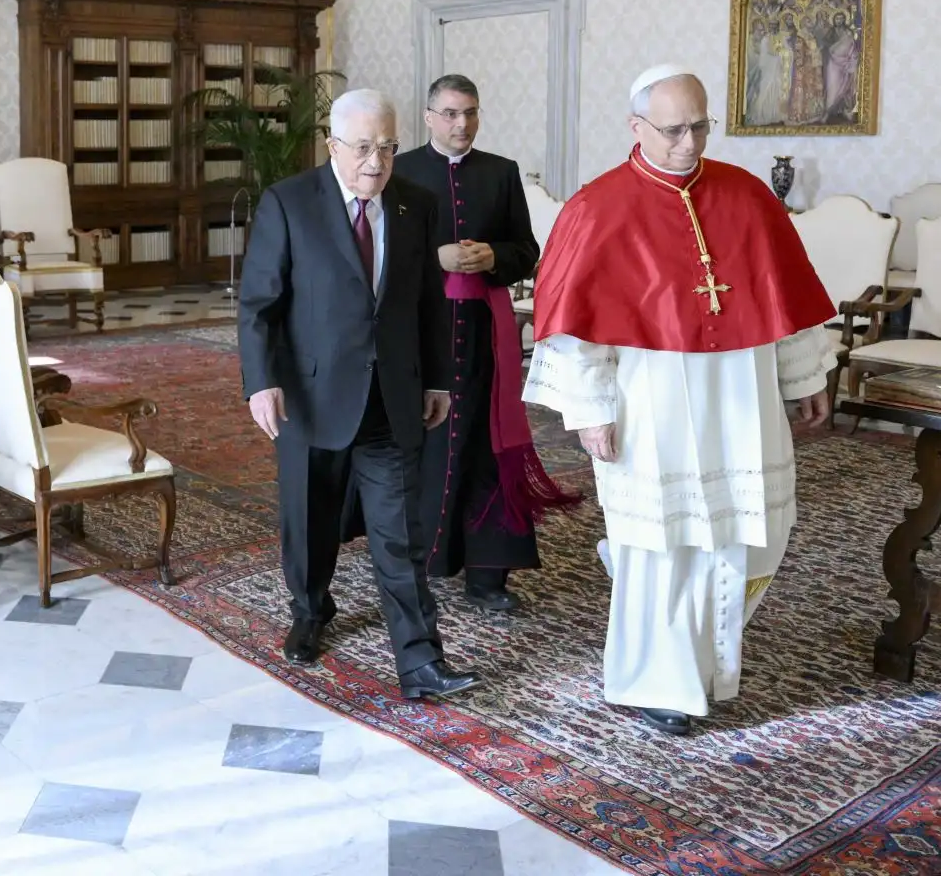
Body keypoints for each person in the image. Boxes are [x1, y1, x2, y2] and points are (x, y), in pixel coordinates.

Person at [521, 64, 835, 735]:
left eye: (699, 126)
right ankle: (661, 682)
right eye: (672, 130)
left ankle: (708, 666)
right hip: (652, 404)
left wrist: (805, 377)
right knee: (664, 544)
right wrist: (591, 410)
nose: (689, 143)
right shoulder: (597, 208)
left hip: (742, 401)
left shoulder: (748, 198)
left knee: (752, 536)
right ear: (636, 128)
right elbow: (575, 327)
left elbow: (785, 300)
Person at [238, 89, 478, 699]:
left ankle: (420, 661)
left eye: (389, 147)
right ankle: (311, 611)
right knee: (311, 518)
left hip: (391, 395)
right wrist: (261, 382)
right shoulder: (289, 203)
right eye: (364, 148)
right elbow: (258, 305)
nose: (376, 162)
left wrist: (437, 379)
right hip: (311, 396)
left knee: (399, 531)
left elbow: (429, 300)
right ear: (333, 146)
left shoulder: (414, 207)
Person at [398, 75, 579, 613]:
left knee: (484, 443)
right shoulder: (401, 171)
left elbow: (528, 249)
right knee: (425, 447)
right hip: (422, 330)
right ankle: (421, 563)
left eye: (471, 113)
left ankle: (487, 575)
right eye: (451, 114)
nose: (462, 124)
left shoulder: (500, 172)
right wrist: (437, 258)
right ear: (429, 116)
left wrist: (494, 257)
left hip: (483, 331)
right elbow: (379, 253)